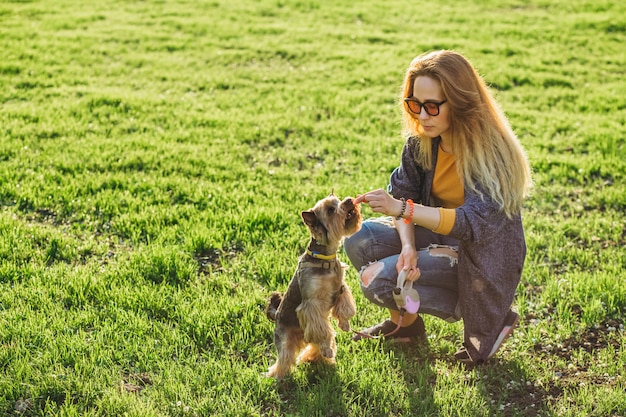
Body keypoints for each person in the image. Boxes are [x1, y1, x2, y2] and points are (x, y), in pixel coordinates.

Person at [344, 50, 532, 364]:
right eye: (414, 105)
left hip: (479, 258)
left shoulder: (490, 153)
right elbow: (403, 195)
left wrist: (403, 210)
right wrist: (407, 246)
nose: (422, 116)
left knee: (379, 281)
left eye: (432, 106)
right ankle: (406, 326)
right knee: (358, 240)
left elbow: (470, 223)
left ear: (458, 102)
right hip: (436, 239)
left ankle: (473, 305)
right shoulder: (422, 142)